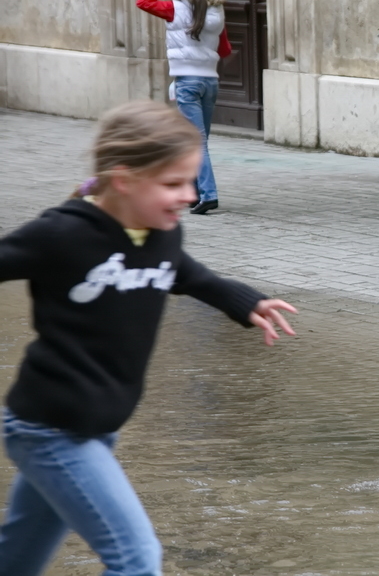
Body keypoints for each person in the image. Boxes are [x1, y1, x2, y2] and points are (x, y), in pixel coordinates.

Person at [0, 101, 297, 575]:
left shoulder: (159, 234)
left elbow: (189, 276)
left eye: (190, 181)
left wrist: (248, 303)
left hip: (96, 429)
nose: (187, 195)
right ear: (124, 179)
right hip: (51, 430)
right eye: (173, 183)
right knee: (136, 558)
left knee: (18, 557)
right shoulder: (61, 234)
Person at [137, 0, 231, 216]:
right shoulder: (216, 8)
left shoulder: (172, 8)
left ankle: (208, 195)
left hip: (187, 83)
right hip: (210, 82)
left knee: (195, 142)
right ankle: (195, 192)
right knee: (199, 141)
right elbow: (224, 49)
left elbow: (143, 1)